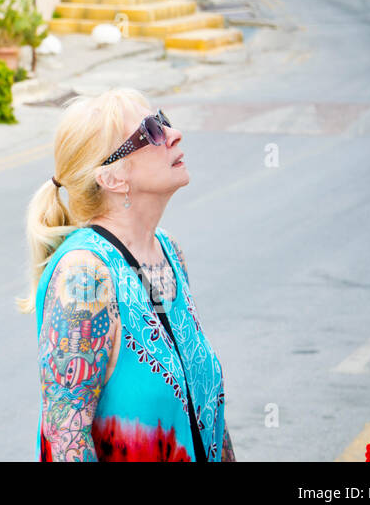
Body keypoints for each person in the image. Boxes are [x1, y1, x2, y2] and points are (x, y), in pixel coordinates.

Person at [19, 87, 234, 461]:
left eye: (162, 120)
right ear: (113, 177)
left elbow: (206, 412)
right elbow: (65, 433)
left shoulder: (167, 251)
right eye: (151, 131)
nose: (173, 133)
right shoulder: (85, 277)